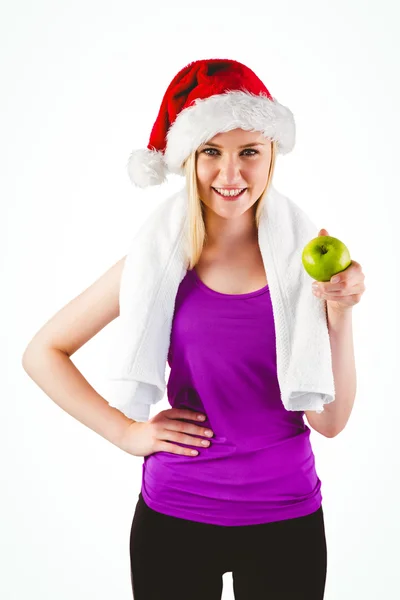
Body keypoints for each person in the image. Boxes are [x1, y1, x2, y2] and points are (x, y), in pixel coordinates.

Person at [22, 58, 365, 599]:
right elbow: (43, 351)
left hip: (286, 519)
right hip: (174, 518)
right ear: (187, 159)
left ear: (273, 153)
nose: (230, 175)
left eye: (249, 151)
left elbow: (332, 421)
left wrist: (341, 314)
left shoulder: (307, 265)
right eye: (211, 152)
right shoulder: (155, 262)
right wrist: (126, 432)